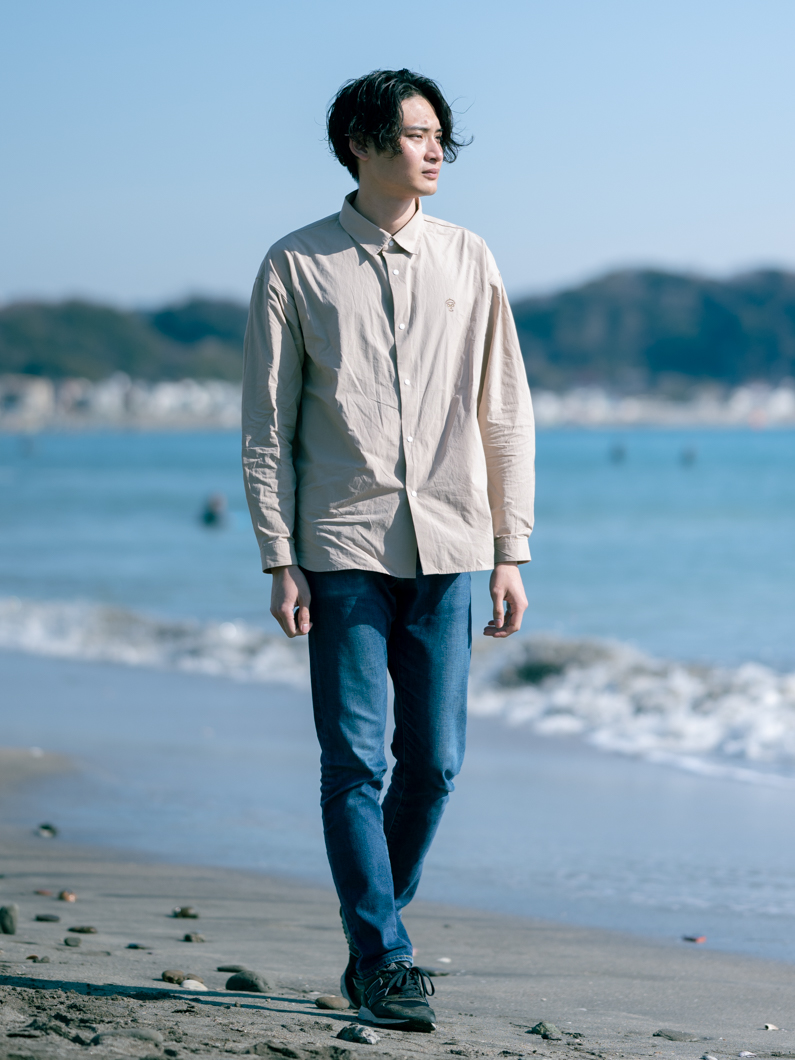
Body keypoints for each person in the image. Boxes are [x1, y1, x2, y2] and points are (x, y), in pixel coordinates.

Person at [242, 69, 534, 1033]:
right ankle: (382, 957)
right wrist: (278, 556)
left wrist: (511, 548)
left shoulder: (469, 257)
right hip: (341, 546)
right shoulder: (295, 264)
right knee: (354, 762)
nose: (435, 150)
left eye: (441, 135)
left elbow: (503, 411)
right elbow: (267, 426)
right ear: (361, 144)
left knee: (435, 763)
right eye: (415, 134)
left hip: (452, 543)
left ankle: (374, 934)